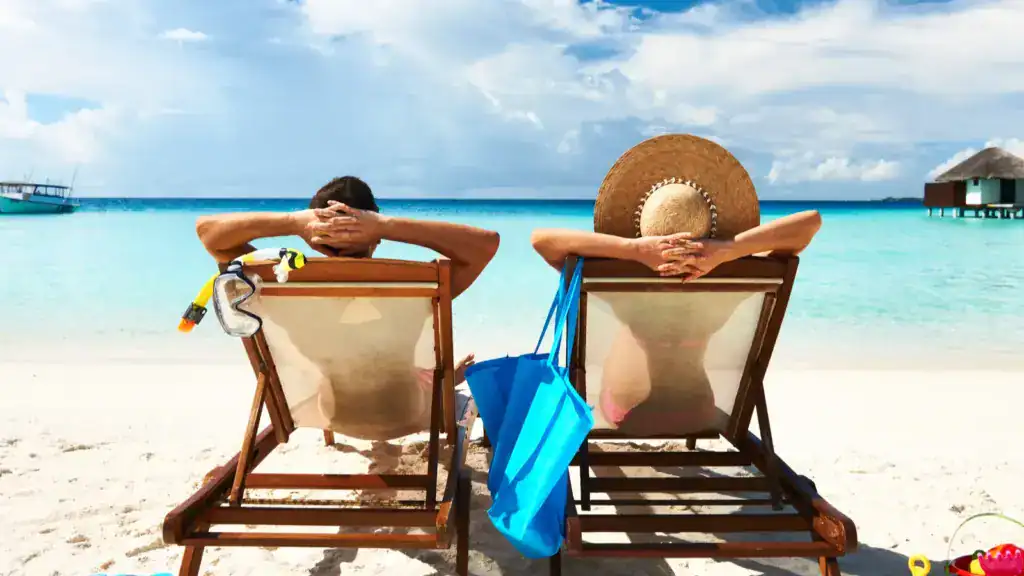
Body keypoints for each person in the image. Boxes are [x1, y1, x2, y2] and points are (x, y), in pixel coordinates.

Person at [530, 134, 822, 435]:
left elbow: (542, 240)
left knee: (626, 339)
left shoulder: (616, 284)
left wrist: (635, 251)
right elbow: (810, 223)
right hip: (699, 412)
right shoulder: (729, 286)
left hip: (624, 416)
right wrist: (724, 251)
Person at [196, 176, 499, 440]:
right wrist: (384, 226)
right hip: (407, 413)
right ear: (374, 233)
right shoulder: (418, 287)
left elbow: (210, 236)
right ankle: (442, 382)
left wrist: (293, 223)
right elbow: (485, 246)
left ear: (314, 237)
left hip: (333, 415)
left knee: (367, 364)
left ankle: (435, 380)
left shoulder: (283, 287)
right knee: (433, 381)